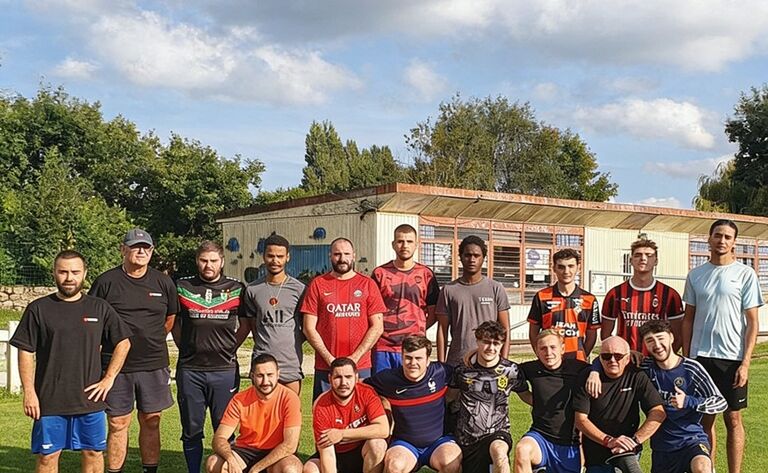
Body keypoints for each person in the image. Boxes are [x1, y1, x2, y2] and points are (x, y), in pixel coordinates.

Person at [11, 250, 132, 473]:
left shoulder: (99, 307)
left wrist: (108, 378)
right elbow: (25, 350)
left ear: (84, 273)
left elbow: (123, 343)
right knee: (48, 457)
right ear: (54, 273)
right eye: (63, 272)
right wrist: (29, 392)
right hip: (49, 399)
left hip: (90, 399)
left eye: (75, 272)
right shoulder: (38, 308)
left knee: (93, 453)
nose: (69, 278)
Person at [89, 228, 179, 473]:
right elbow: (94, 322)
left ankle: (149, 470)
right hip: (115, 367)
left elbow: (170, 319)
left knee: (151, 421)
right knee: (118, 422)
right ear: (123, 249)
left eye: (146, 247)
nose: (141, 251)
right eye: (135, 247)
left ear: (152, 251)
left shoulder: (163, 282)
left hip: (153, 363)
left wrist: (151, 339)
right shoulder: (106, 282)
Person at [682, 219, 763, 473]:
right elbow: (688, 319)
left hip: (732, 359)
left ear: (734, 242)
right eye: (718, 235)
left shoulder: (745, 274)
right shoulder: (695, 275)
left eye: (728, 237)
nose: (722, 240)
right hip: (701, 358)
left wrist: (745, 363)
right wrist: (687, 358)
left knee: (733, 418)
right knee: (705, 419)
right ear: (709, 238)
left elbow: (753, 323)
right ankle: (709, 469)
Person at [174, 241, 250, 473]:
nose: (208, 265)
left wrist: (230, 347)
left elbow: (246, 324)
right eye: (204, 260)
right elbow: (174, 322)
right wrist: (184, 346)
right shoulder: (182, 286)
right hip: (191, 370)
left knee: (225, 428)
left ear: (222, 261)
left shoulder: (236, 288)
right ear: (197, 261)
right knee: (192, 429)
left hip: (224, 370)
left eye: (214, 261)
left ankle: (226, 469)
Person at [301, 237, 386, 400]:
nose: (342, 258)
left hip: (360, 366)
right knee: (325, 412)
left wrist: (354, 358)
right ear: (330, 256)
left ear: (354, 255)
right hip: (326, 367)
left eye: (346, 254)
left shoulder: (367, 284)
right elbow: (308, 328)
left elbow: (377, 327)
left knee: (360, 412)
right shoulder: (318, 284)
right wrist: (330, 360)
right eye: (337, 254)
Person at [365, 335, 462, 473]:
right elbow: (362, 389)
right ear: (402, 357)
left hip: (439, 442)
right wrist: (382, 404)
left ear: (428, 360)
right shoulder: (388, 379)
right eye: (408, 358)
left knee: (451, 464)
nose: (413, 363)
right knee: (394, 467)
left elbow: (467, 372)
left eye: (418, 358)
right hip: (405, 445)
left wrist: (472, 355)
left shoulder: (441, 372)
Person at [640, 320, 727, 473]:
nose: (657, 345)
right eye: (650, 341)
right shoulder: (645, 368)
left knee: (702, 468)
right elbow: (612, 361)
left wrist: (689, 401)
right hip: (662, 447)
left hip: (691, 440)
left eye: (661, 338)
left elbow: (720, 402)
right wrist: (595, 370)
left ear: (671, 338)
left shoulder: (691, 368)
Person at [573, 336, 666, 473]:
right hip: (596, 451)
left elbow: (658, 413)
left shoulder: (637, 375)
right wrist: (608, 440)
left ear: (627, 358)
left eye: (618, 356)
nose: (612, 360)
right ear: (600, 359)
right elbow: (580, 420)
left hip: (627, 449)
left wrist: (634, 441)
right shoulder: (588, 378)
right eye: (606, 356)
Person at [205, 354, 302, 473]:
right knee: (213, 463)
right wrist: (230, 459)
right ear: (252, 376)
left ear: (278, 374)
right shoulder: (239, 400)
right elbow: (219, 438)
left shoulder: (290, 398)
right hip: (246, 451)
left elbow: (290, 445)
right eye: (260, 376)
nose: (265, 381)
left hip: (276, 451)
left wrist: (256, 468)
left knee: (291, 468)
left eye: (270, 375)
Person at [451, 321, 526, 473]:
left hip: (498, 433)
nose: (491, 348)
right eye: (486, 342)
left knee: (500, 454)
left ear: (502, 344)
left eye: (496, 343)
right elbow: (449, 398)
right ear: (477, 341)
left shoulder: (511, 370)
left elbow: (526, 396)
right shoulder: (462, 370)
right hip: (467, 438)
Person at [513, 330, 588, 473]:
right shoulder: (531, 369)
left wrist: (595, 373)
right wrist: (475, 355)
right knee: (522, 450)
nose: (548, 352)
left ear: (562, 349)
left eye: (553, 347)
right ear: (536, 351)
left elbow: (601, 364)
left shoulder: (578, 368)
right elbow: (503, 368)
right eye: (543, 348)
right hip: (540, 437)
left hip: (570, 443)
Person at [601, 238, 684, 364]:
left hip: (657, 363)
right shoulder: (615, 294)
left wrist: (662, 357)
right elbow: (606, 335)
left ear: (656, 261)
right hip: (625, 362)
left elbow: (678, 336)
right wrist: (624, 353)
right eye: (638, 255)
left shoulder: (670, 295)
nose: (643, 259)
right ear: (631, 261)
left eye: (649, 255)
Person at [371, 224, 439, 374]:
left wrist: (417, 329)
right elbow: (371, 311)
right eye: (400, 241)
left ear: (416, 245)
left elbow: (434, 312)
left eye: (409, 241)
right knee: (382, 387)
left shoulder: (426, 274)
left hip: (415, 347)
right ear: (393, 244)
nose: (404, 246)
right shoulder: (380, 273)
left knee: (412, 387)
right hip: (384, 346)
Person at [244, 234, 306, 394]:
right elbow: (252, 325)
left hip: (290, 362)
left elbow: (306, 326)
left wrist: (292, 341)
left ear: (287, 257)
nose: (275, 261)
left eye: (280, 256)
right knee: (261, 408)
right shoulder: (252, 289)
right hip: (262, 361)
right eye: (270, 256)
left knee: (291, 408)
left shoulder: (299, 289)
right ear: (263, 256)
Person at [304, 358, 388, 473]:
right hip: (335, 453)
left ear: (356, 378)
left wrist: (342, 434)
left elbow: (383, 429)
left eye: (348, 377)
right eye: (338, 377)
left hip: (361, 451)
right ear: (330, 379)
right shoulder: (321, 405)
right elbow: (327, 453)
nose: (343, 383)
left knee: (378, 445)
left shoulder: (367, 393)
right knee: (310, 469)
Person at [436, 235, 510, 366]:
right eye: (468, 255)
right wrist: (441, 365)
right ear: (460, 257)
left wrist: (503, 362)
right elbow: (442, 330)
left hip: (488, 362)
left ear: (483, 258)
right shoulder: (448, 290)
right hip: (457, 362)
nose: (472, 260)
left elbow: (505, 329)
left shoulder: (496, 288)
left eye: (476, 256)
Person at [528, 248, 599, 361]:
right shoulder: (541, 296)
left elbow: (592, 335)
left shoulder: (589, 299)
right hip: (550, 360)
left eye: (571, 266)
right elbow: (533, 332)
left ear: (578, 268)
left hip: (577, 362)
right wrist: (541, 354)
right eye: (561, 267)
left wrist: (583, 355)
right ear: (554, 269)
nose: (566, 271)